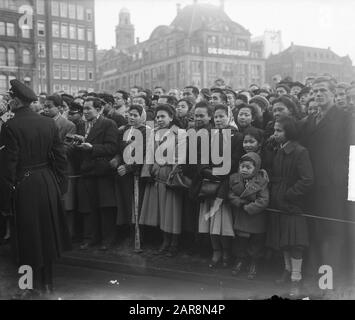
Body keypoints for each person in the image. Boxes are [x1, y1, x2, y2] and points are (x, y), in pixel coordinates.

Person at [0, 80, 71, 298]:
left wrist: (5, 200)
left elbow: (7, 166)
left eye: (8, 98)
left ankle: (27, 286)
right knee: (46, 235)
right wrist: (60, 186)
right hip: (47, 182)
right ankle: (47, 285)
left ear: (15, 100)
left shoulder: (10, 126)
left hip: (23, 184)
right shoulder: (49, 123)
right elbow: (60, 158)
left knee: (24, 239)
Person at [301, 76, 351, 292]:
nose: (318, 94)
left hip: (335, 189)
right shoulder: (311, 119)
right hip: (312, 187)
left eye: (323, 90)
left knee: (332, 235)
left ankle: (328, 283)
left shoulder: (346, 118)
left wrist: (352, 191)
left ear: (333, 93)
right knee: (314, 233)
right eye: (315, 91)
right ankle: (316, 278)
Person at [266, 115, 314, 297]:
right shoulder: (278, 149)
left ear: (290, 132)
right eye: (274, 130)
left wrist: (288, 194)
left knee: (295, 242)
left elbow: (308, 180)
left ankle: (296, 277)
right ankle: (287, 270)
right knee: (283, 239)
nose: (275, 134)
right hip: (278, 200)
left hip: (292, 202)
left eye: (279, 130)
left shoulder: (300, 151)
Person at [197, 104, 244, 269]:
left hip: (225, 182)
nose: (218, 120)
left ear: (229, 117)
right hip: (208, 182)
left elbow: (236, 160)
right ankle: (215, 251)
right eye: (216, 117)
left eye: (221, 116)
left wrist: (219, 172)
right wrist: (206, 171)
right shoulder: (208, 135)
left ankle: (226, 252)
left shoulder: (237, 137)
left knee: (223, 222)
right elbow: (200, 157)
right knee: (211, 222)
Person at [139, 104, 186, 257]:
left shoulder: (180, 133)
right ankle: (165, 240)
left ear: (171, 117)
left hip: (170, 175)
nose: (159, 119)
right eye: (158, 117)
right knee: (161, 210)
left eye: (163, 116)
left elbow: (180, 157)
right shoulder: (154, 133)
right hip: (156, 174)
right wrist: (149, 171)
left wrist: (170, 170)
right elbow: (149, 153)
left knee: (172, 210)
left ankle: (174, 242)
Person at [76, 97, 119, 251]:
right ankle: (90, 238)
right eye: (83, 109)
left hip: (102, 172)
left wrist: (92, 147)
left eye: (88, 109)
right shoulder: (80, 124)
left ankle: (107, 240)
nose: (85, 112)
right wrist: (76, 144)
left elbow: (112, 148)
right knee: (88, 208)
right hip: (86, 171)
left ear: (99, 109)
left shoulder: (108, 124)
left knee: (105, 207)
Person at [226, 152, 269, 280]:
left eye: (248, 167)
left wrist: (248, 207)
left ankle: (254, 262)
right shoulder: (235, 179)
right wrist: (239, 203)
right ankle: (240, 260)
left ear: (255, 169)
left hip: (255, 216)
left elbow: (263, 200)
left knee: (256, 242)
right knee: (241, 241)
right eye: (242, 166)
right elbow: (231, 194)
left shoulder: (261, 181)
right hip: (242, 215)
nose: (244, 170)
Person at [111, 104, 148, 243]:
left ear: (141, 117)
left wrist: (128, 167)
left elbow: (143, 153)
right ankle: (127, 233)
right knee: (125, 204)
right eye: (130, 114)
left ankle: (138, 237)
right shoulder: (125, 129)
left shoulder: (145, 131)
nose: (131, 117)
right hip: (123, 174)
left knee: (136, 205)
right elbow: (120, 149)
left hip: (136, 174)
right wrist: (117, 159)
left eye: (135, 115)